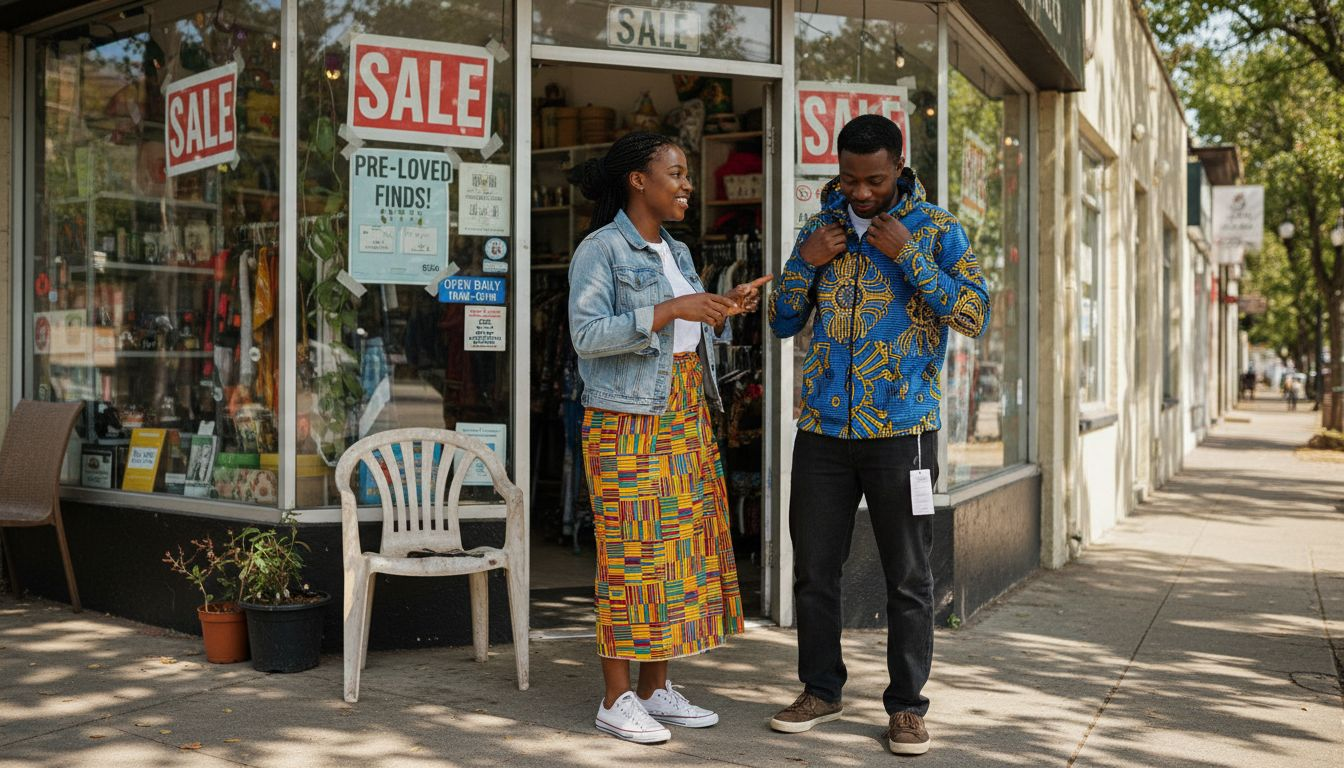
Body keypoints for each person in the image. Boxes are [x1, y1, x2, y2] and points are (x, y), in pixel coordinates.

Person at [766, 114, 990, 756]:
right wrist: (803, 267)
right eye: (848, 178)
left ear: (899, 167)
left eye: (874, 179)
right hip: (822, 430)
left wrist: (908, 255)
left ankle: (907, 707)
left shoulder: (938, 229)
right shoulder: (819, 229)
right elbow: (783, 322)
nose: (860, 192)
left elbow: (973, 313)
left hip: (904, 433)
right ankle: (821, 688)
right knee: (813, 568)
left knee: (908, 577)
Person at [567, 132, 773, 744]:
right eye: (677, 173)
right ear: (638, 179)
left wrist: (719, 308)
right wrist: (670, 311)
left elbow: (684, 331)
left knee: (674, 555)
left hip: (682, 411)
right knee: (630, 555)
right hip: (627, 419)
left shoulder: (677, 252)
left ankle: (655, 688)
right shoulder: (599, 249)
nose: (687, 185)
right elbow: (587, 334)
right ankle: (614, 697)